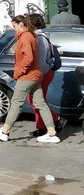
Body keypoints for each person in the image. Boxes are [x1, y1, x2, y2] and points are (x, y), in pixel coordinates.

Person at [0, 14, 59, 144]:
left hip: (27, 76)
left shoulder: (25, 37)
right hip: (35, 75)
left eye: (14, 26)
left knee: (16, 103)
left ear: (21, 24)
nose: (13, 28)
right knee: (40, 103)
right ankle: (52, 133)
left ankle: (4, 131)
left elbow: (28, 58)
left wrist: (18, 72)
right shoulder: (32, 36)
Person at [28, 11, 63, 139]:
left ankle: (56, 119)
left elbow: (41, 60)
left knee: (36, 101)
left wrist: (37, 76)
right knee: (35, 100)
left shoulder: (40, 38)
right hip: (42, 73)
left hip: (42, 74)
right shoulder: (38, 36)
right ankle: (42, 127)